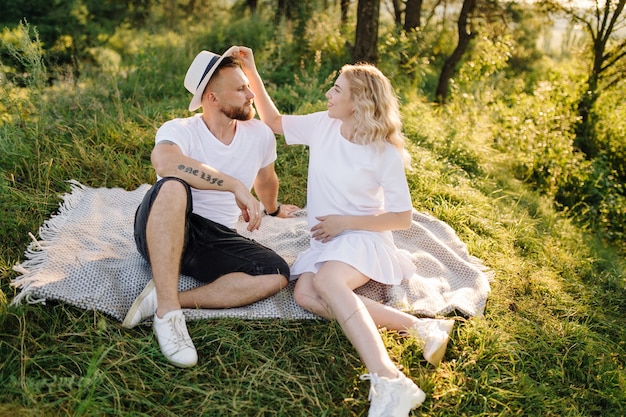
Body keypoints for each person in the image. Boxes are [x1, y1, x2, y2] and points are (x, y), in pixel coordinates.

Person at [235, 46, 455, 416]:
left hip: (364, 237)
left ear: (359, 101)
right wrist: (252, 70)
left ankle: (388, 379)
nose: (328, 95)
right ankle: (419, 328)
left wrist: (345, 223)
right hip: (328, 239)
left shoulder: (383, 153)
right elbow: (273, 120)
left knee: (330, 284)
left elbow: (401, 218)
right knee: (305, 293)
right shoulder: (324, 124)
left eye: (337, 90)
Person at [122, 47, 299, 368]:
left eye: (248, 86)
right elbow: (165, 162)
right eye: (241, 88)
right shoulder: (180, 129)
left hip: (211, 239)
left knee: (275, 273)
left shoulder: (258, 134)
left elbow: (267, 180)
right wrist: (232, 185)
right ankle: (169, 317)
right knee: (173, 184)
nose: (251, 95)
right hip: (162, 229)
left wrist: (271, 210)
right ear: (212, 98)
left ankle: (164, 299)